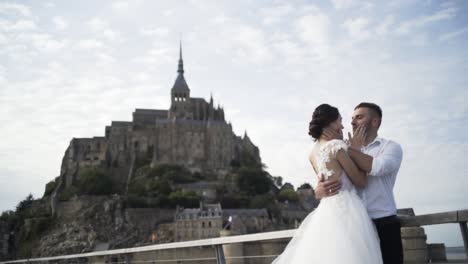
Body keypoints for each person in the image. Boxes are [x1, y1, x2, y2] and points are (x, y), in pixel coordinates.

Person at [272, 104, 382, 264]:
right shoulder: (336, 147)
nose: (343, 125)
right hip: (348, 210)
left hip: (326, 211)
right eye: (340, 121)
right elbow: (361, 181)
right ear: (330, 122)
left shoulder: (312, 153)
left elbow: (322, 182)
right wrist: (359, 150)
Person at [317, 102, 403, 264]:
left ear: (375, 122)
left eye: (359, 117)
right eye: (352, 118)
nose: (352, 122)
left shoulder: (391, 147)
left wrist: (349, 149)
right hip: (352, 225)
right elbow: (330, 175)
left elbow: (376, 167)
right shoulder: (342, 148)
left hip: (383, 222)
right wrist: (319, 191)